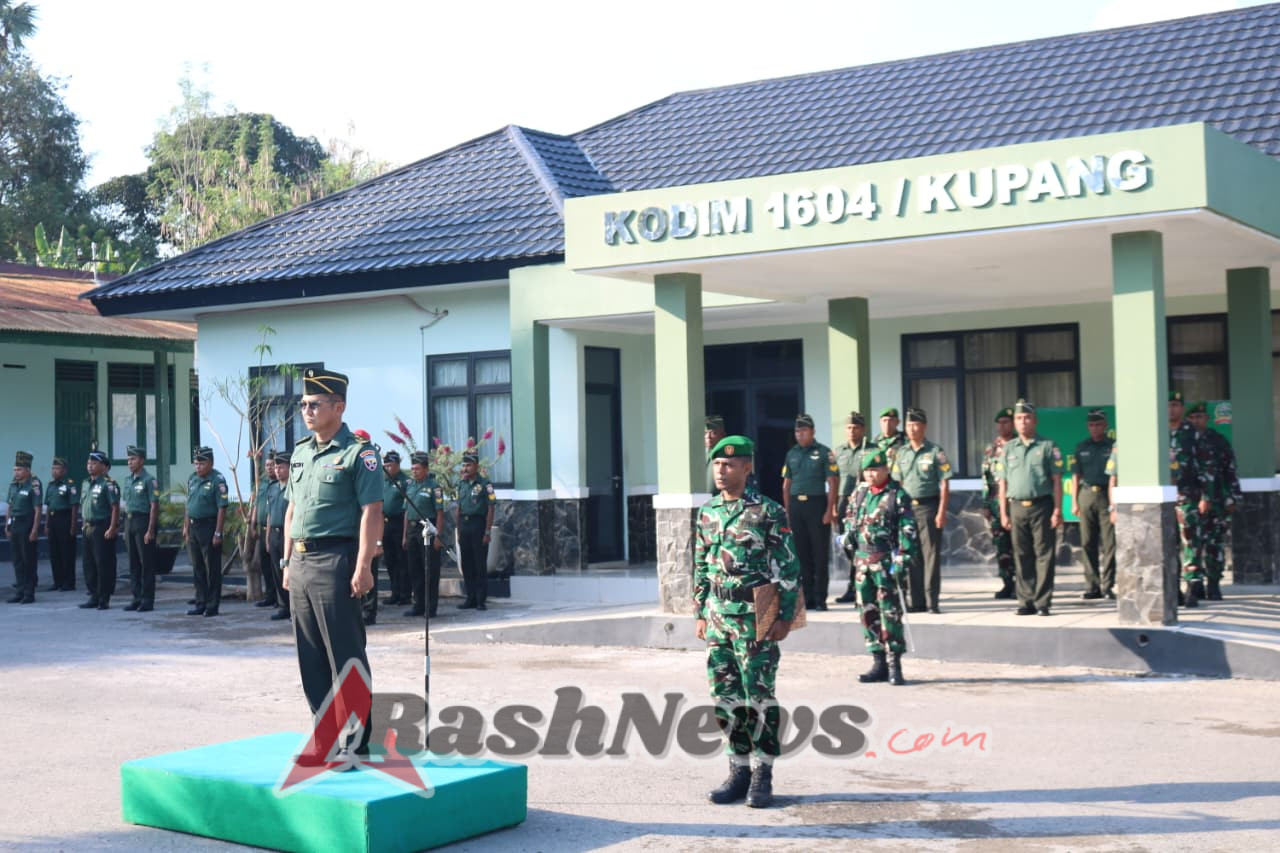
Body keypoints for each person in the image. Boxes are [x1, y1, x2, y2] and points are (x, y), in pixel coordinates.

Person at [694, 435, 800, 809]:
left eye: (730, 465)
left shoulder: (768, 512)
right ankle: (737, 770)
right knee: (725, 698)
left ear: (747, 467)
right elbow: (701, 565)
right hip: (719, 620)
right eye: (717, 465)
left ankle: (762, 773)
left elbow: (788, 567)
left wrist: (785, 617)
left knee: (758, 696)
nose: (721, 471)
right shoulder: (707, 512)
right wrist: (699, 612)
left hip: (757, 618)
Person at [282, 369, 382, 762]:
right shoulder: (301, 452)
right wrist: (287, 561)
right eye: (303, 404)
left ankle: (355, 744)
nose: (306, 410)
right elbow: (291, 509)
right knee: (310, 657)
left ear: (338, 407)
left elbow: (371, 511)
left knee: (345, 654)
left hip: (336, 561)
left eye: (314, 404)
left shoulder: (358, 453)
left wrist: (364, 565)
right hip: (302, 562)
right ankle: (323, 739)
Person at [844, 447, 917, 686]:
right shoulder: (859, 494)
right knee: (867, 612)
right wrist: (847, 538)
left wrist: (903, 557)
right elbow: (850, 520)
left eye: (876, 470)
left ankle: (895, 663)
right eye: (867, 471)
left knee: (890, 613)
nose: (871, 475)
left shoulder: (897, 495)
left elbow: (908, 528)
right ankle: (878, 663)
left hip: (886, 562)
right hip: (863, 563)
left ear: (886, 469)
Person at [997, 399, 1064, 616]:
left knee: (1044, 554)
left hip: (1042, 506)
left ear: (1034, 420)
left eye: (1027, 418)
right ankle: (1025, 601)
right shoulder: (1008, 449)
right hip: (1016, 507)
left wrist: (1057, 510)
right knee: (1021, 554)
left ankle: (1042, 602)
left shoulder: (1047, 446)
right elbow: (1002, 483)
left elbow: (1056, 480)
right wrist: (1003, 513)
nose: (1023, 422)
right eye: (1018, 418)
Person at [890, 407, 952, 614]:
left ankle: (931, 601)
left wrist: (941, 511)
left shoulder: (935, 451)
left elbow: (944, 483)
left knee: (931, 555)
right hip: (907, 510)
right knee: (911, 555)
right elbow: (897, 483)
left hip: (929, 507)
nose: (912, 428)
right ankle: (916, 602)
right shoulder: (902, 453)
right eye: (908, 425)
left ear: (924, 426)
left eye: (916, 424)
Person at [781, 413, 838, 610]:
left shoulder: (824, 453)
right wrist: (787, 512)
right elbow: (786, 485)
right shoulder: (792, 454)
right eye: (797, 431)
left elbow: (832, 482)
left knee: (819, 554)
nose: (800, 434)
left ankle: (821, 598)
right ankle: (808, 598)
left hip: (817, 505)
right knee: (802, 555)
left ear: (812, 431)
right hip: (797, 508)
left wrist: (830, 510)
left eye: (803, 430)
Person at [1188, 402, 1240, 601]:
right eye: (1192, 418)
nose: (1195, 421)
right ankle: (1195, 583)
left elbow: (1230, 470)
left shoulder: (1218, 440)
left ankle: (1213, 583)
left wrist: (1234, 496)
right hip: (1192, 501)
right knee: (1193, 544)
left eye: (1199, 417)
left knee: (1215, 543)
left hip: (1217, 500)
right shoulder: (1184, 441)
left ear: (1206, 419)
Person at [1168, 392, 1212, 607]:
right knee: (1169, 544)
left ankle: (1192, 588)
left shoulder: (1192, 434)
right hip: (1167, 498)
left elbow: (1204, 467)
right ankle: (1173, 588)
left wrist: (1205, 496)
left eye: (1175, 405)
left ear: (1182, 408)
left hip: (1189, 496)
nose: (1171, 409)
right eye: (1168, 405)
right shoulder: (1159, 433)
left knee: (1190, 542)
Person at [1072, 410, 1116, 601]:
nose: (1095, 428)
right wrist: (1074, 501)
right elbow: (1076, 476)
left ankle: (1107, 586)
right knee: (1088, 542)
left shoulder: (1113, 447)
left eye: (1098, 424)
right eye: (1091, 425)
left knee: (1109, 544)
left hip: (1107, 494)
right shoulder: (1082, 446)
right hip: (1087, 494)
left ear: (1105, 425)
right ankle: (1092, 586)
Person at [184, 446, 229, 617]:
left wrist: (218, 532)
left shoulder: (218, 480)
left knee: (212, 568)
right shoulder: (192, 479)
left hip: (209, 527)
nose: (198, 467)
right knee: (198, 568)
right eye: (196, 463)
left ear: (210, 463)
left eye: (201, 463)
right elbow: (188, 504)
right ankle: (200, 602)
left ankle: (212, 604)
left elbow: (222, 507)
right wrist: (186, 527)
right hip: (194, 526)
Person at [833, 411, 872, 604]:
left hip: (865, 501)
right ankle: (853, 584)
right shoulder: (839, 452)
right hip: (843, 501)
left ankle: (861, 586)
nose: (852, 431)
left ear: (862, 429)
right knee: (848, 544)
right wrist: (832, 506)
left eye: (856, 427)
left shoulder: (871, 450)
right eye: (849, 427)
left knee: (863, 544)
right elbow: (833, 480)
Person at [402, 450, 444, 618]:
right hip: (412, 530)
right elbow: (406, 512)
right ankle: (418, 605)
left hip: (428, 530)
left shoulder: (434, 487)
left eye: (417, 468)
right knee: (415, 569)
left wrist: (438, 536)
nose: (414, 471)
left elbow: (440, 513)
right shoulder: (410, 485)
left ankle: (430, 607)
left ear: (426, 469)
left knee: (430, 570)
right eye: (412, 468)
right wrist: (404, 535)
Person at [982, 408, 1017, 599]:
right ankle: (1007, 582)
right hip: (996, 502)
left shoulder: (1018, 445)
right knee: (1001, 546)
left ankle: (1022, 584)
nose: (1003, 425)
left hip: (1016, 500)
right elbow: (985, 477)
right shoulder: (991, 449)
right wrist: (986, 503)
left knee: (1019, 546)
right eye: (1000, 422)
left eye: (1006, 421)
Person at [79, 450, 119, 610]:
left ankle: (104, 597)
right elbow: (84, 505)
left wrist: (112, 527)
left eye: (94, 463)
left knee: (103, 563)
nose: (90, 466)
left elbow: (115, 507)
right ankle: (93, 595)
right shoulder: (85, 483)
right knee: (88, 563)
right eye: (89, 463)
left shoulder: (108, 484)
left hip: (102, 526)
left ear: (103, 467)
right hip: (88, 526)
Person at [121, 445, 160, 612]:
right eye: (129, 459)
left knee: (146, 563)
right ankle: (136, 597)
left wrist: (150, 529)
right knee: (133, 563)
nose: (130, 462)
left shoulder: (149, 480)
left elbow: (154, 506)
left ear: (142, 461)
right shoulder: (128, 480)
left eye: (133, 459)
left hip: (143, 521)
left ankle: (147, 599)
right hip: (130, 522)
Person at [372, 449, 411, 617]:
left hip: (399, 522)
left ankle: (404, 594)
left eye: (390, 465)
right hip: (385, 523)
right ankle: (394, 593)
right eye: (385, 465)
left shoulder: (404, 482)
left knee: (402, 560)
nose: (387, 468)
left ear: (397, 465)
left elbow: (407, 506)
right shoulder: (383, 481)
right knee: (390, 561)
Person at [456, 451, 496, 610]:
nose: (465, 468)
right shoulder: (461, 484)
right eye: (464, 465)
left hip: (478, 525)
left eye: (468, 465)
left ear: (476, 466)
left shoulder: (486, 485)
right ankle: (470, 597)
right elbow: (458, 508)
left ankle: (480, 600)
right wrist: (458, 530)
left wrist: (487, 531)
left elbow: (491, 509)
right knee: (466, 564)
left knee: (479, 564)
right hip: (464, 526)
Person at [6, 451, 42, 603]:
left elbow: (38, 510)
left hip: (27, 523)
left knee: (28, 559)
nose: (16, 473)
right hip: (15, 523)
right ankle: (20, 590)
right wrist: (8, 526)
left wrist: (34, 529)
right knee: (18, 560)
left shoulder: (34, 484)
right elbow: (10, 506)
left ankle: (29, 592)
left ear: (27, 470)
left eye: (19, 470)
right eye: (15, 470)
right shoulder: (13, 485)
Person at [44, 457, 78, 592]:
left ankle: (68, 582)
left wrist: (73, 525)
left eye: (57, 469)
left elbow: (74, 506)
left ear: (64, 470)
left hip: (65, 518)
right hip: (53, 519)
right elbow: (48, 506)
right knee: (54, 552)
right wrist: (46, 524)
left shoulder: (70, 484)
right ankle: (57, 581)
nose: (54, 471)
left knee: (66, 552)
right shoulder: (51, 485)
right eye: (53, 468)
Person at [267, 451, 291, 621]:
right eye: (276, 467)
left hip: (288, 534)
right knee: (277, 571)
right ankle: (283, 606)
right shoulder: (273, 488)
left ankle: (295, 607)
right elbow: (269, 514)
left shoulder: (294, 487)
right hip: (274, 534)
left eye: (281, 467)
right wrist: (268, 537)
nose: (277, 470)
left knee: (291, 570)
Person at [252, 456, 279, 609]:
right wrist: (252, 525)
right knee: (265, 566)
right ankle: (269, 596)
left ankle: (279, 598)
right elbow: (256, 505)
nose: (269, 467)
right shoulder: (262, 484)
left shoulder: (280, 484)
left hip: (275, 530)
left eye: (272, 465)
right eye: (267, 465)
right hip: (262, 529)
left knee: (276, 566)